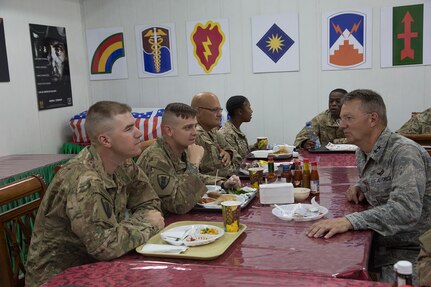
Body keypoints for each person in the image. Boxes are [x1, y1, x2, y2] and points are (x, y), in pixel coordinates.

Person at [25, 101, 165, 286]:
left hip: (99, 267)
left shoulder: (124, 163)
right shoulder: (85, 179)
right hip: (61, 277)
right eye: (129, 129)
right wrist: (148, 223)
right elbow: (103, 247)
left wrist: (134, 226)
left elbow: (149, 203)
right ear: (105, 140)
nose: (139, 133)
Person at [306, 89, 431, 282]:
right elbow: (381, 180)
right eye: (341, 119)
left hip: (410, 251)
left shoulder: (404, 153)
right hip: (378, 243)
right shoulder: (362, 152)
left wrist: (349, 221)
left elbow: (406, 210)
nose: (342, 126)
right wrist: (361, 186)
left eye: (348, 118)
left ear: (373, 119)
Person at [137, 103, 241, 215]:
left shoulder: (181, 149)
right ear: (169, 131)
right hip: (161, 223)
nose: (194, 133)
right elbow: (178, 205)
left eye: (195, 126)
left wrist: (222, 183)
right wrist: (194, 164)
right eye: (187, 127)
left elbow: (187, 177)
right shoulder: (156, 158)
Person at [191, 92, 241, 177]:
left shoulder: (213, 131)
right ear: (197, 112)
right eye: (214, 110)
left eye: (220, 110)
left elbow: (238, 157)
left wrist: (229, 153)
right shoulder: (196, 135)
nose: (220, 114)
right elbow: (223, 170)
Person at [219, 95, 257, 166]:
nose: (251, 111)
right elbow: (237, 161)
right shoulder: (226, 133)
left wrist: (255, 146)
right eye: (249, 108)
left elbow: (242, 151)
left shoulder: (235, 129)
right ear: (240, 112)